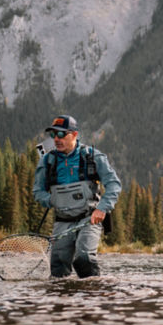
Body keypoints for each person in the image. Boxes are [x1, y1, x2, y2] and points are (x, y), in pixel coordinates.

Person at [33, 114, 122, 278]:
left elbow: (114, 185)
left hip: (89, 218)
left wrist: (102, 208)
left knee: (84, 258)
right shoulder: (47, 161)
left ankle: (92, 297)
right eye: (53, 134)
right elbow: (37, 191)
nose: (56, 139)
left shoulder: (93, 156)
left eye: (61, 134)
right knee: (58, 267)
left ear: (74, 135)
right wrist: (51, 200)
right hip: (62, 220)